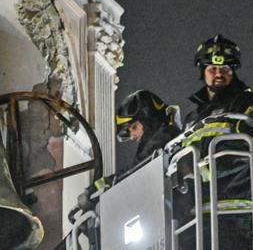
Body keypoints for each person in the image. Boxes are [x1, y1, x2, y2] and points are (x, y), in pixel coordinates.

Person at [177, 34, 253, 250]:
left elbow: (246, 146)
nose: (218, 74)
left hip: (236, 209)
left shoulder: (245, 103)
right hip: (200, 210)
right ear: (202, 71)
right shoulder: (195, 116)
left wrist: (203, 169)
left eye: (225, 69)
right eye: (212, 68)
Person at [70, 90, 179, 221]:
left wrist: (94, 192)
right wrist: (94, 190)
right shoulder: (154, 144)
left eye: (133, 127)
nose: (132, 136)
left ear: (149, 119)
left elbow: (133, 174)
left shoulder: (164, 136)